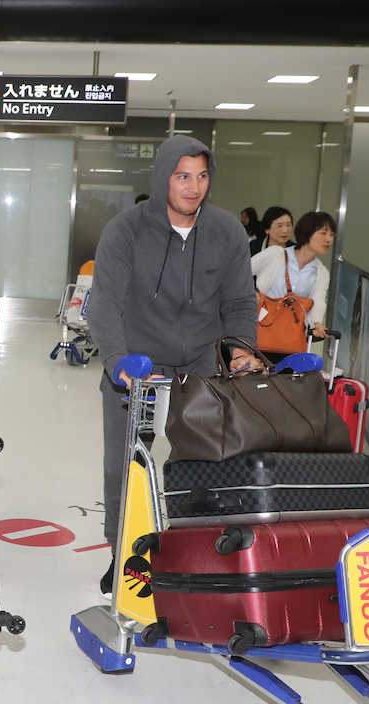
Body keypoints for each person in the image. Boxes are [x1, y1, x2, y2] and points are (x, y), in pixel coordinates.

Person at [89, 134, 260, 594]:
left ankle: (194, 553)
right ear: (164, 176)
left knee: (201, 465)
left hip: (200, 369)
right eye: (183, 176)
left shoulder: (226, 232)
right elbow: (104, 303)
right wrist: (117, 359)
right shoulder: (125, 231)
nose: (193, 187)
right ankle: (122, 553)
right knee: (125, 467)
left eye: (202, 176)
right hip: (137, 370)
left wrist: (242, 348)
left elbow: (241, 300)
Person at [251, 210, 335, 342]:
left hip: (290, 337)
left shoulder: (321, 272)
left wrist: (317, 324)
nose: (328, 239)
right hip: (258, 329)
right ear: (307, 233)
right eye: (323, 233)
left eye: (331, 234)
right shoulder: (276, 254)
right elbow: (241, 273)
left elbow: (317, 301)